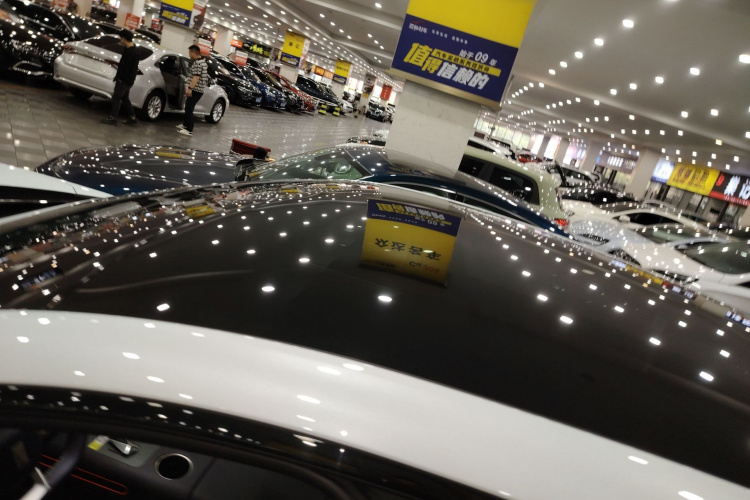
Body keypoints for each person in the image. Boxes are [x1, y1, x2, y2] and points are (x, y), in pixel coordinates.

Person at [101, 29, 138, 126]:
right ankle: (132, 117)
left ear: (124, 38)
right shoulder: (134, 50)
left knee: (117, 97)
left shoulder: (130, 52)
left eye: (121, 38)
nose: (120, 40)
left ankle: (113, 118)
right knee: (125, 98)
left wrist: (120, 79)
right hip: (129, 80)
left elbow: (126, 68)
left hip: (124, 80)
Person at [177, 45, 208, 137]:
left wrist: (190, 88)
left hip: (195, 90)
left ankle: (189, 130)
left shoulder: (198, 63)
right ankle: (185, 125)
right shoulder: (203, 62)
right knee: (188, 107)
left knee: (189, 109)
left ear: (193, 52)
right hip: (198, 90)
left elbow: (196, 77)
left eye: (189, 53)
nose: (189, 55)